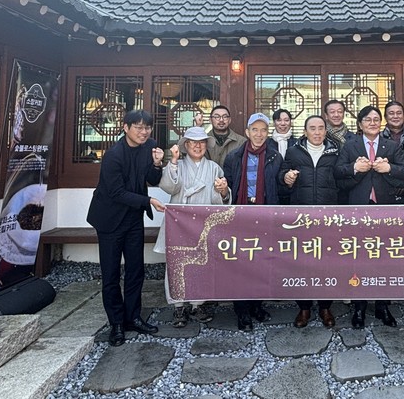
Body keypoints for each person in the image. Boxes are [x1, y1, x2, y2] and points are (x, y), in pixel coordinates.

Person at [86, 109, 166, 347]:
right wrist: (148, 201)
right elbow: (117, 192)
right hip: (109, 219)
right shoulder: (113, 155)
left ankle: (133, 317)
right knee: (111, 273)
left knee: (135, 270)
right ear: (126, 127)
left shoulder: (150, 146)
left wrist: (157, 163)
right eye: (138, 127)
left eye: (147, 127)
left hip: (133, 218)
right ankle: (116, 323)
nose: (144, 132)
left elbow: (152, 179)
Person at [334, 105, 404, 328]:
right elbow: (337, 173)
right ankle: (359, 307)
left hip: (384, 210)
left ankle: (382, 306)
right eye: (367, 119)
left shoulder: (391, 146)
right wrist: (354, 168)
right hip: (358, 210)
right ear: (360, 124)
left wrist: (389, 169)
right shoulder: (350, 146)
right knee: (358, 258)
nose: (372, 123)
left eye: (376, 119)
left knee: (384, 258)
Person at [154, 126, 230, 327]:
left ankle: (198, 304)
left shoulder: (213, 168)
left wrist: (223, 191)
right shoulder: (177, 165)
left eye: (201, 142)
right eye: (193, 143)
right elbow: (170, 187)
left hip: (203, 223)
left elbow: (220, 198)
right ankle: (178, 306)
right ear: (186, 145)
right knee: (176, 263)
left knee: (202, 263)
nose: (198, 146)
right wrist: (172, 161)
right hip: (179, 223)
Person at [223, 112, 283, 330]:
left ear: (268, 133)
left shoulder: (275, 157)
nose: (259, 134)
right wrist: (223, 191)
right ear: (247, 132)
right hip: (240, 215)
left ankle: (257, 305)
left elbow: (280, 188)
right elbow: (227, 187)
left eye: (263, 130)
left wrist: (288, 180)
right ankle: (242, 311)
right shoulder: (234, 157)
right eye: (255, 130)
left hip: (265, 215)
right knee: (240, 264)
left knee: (262, 263)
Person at [280, 115, 340, 328]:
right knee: (302, 263)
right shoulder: (293, 152)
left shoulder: (335, 152)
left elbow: (342, 179)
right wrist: (286, 178)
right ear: (305, 132)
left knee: (327, 263)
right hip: (301, 217)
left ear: (326, 131)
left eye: (321, 128)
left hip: (327, 216)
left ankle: (325, 307)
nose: (317, 132)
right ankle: (304, 307)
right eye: (312, 128)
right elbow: (281, 175)